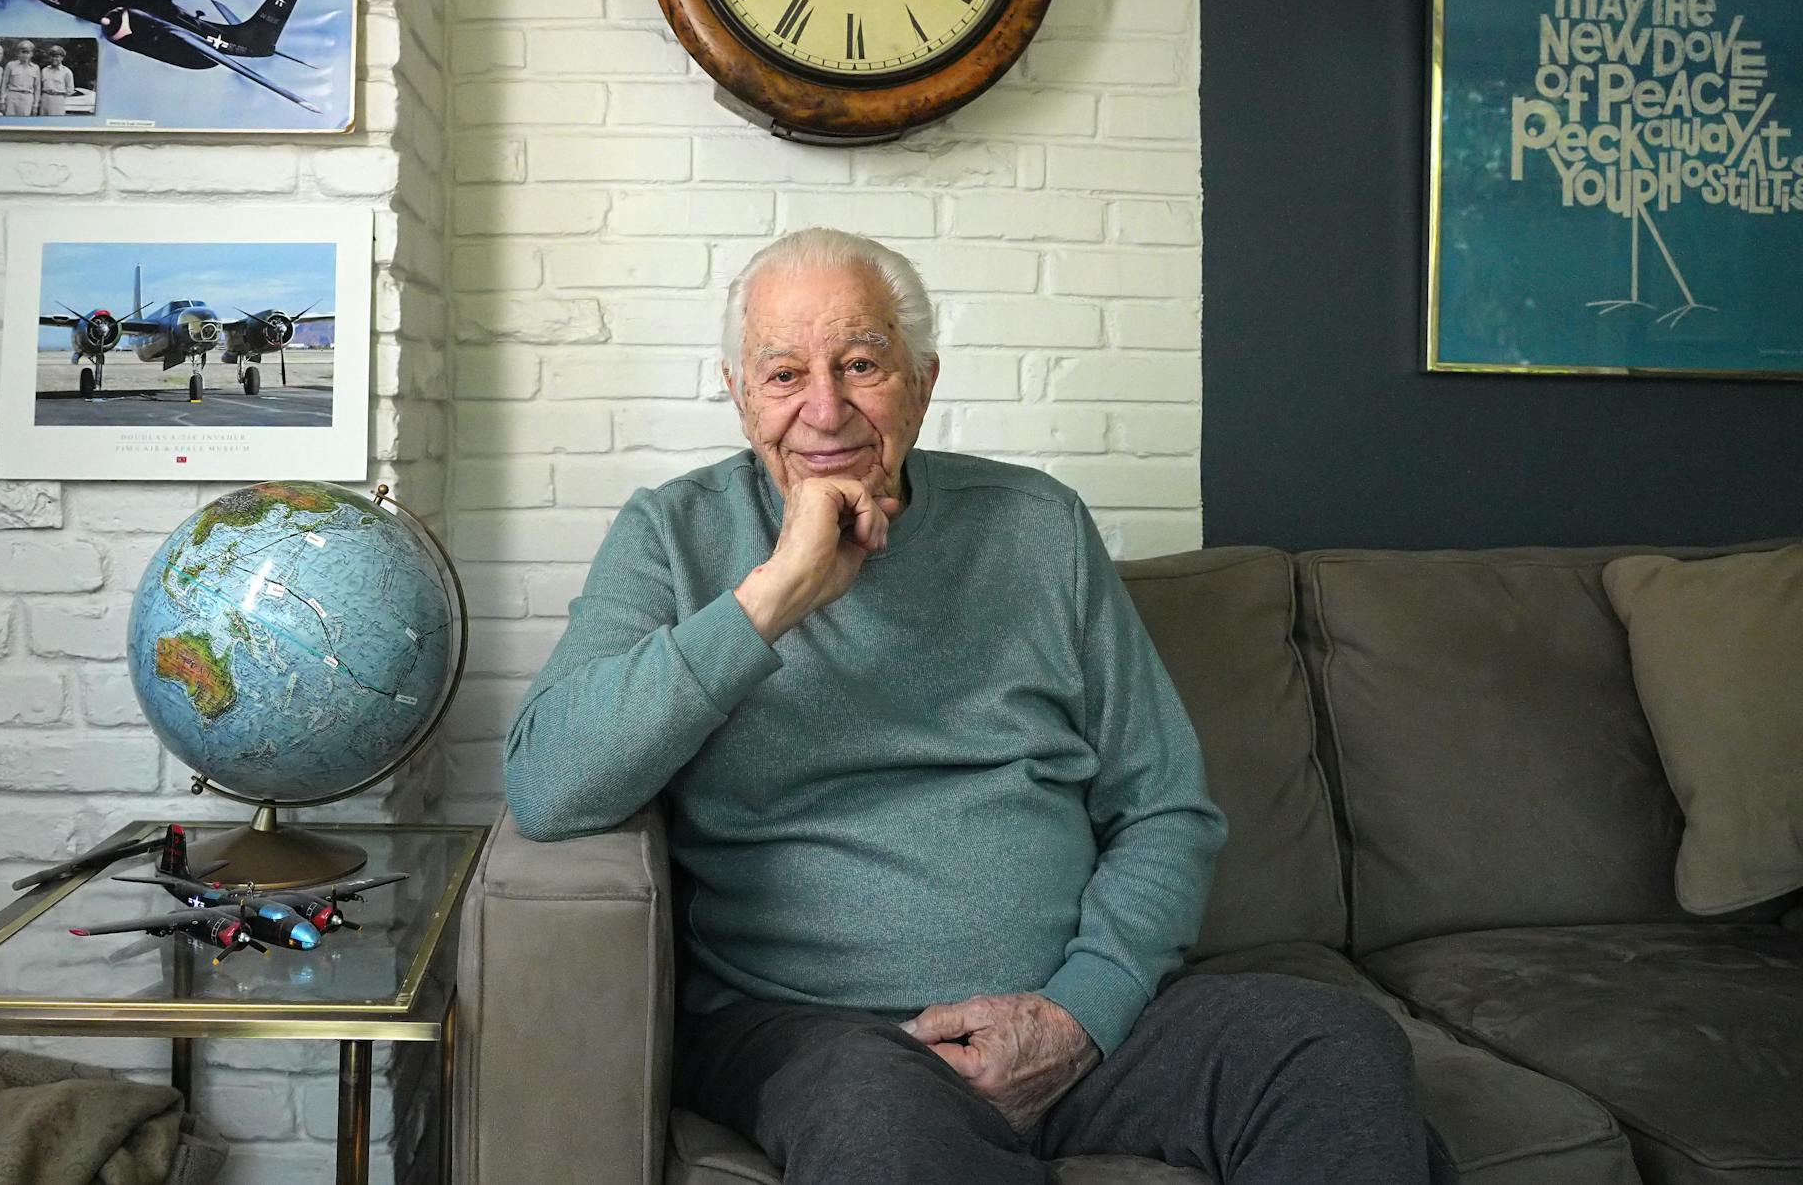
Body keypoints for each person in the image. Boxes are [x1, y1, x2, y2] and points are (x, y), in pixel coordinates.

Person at [502, 229, 1455, 1185]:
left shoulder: (1039, 527)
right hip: (817, 1031)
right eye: (785, 372)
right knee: (884, 1127)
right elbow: (549, 783)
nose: (824, 407)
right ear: (740, 392)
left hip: (1076, 1016)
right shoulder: (672, 534)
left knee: (1332, 1045)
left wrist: (1078, 1014)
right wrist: (775, 597)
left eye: (862, 363)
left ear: (921, 380)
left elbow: (1167, 808)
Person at [1, 40, 40, 117]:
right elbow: (4, 83)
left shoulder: (35, 68)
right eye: (23, 52)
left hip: (27, 98)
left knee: (24, 123)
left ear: (31, 54)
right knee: (9, 122)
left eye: (27, 52)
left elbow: (37, 88)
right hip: (12, 97)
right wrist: (2, 101)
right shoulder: (10, 65)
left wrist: (35, 105)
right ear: (18, 53)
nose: (25, 55)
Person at [37, 45, 75, 116]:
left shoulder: (66, 72)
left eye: (57, 56)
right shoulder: (44, 70)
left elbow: (70, 90)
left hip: (58, 99)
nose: (54, 59)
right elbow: (40, 86)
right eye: (52, 56)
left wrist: (59, 95)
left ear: (62, 58)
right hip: (45, 98)